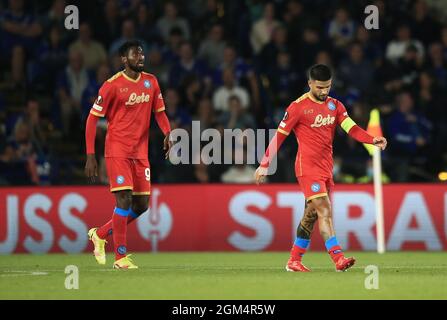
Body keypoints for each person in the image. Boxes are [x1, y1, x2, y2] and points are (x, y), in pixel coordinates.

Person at [254, 64, 387, 272]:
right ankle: (338, 259)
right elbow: (279, 137)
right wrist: (264, 164)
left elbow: (351, 128)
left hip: (326, 168)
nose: (324, 92)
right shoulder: (297, 107)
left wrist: (372, 140)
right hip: (307, 167)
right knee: (324, 209)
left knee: (311, 215)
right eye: (319, 87)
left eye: (328, 87)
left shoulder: (336, 106)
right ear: (310, 84)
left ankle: (294, 260)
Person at [84, 40, 172, 269]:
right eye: (136, 54)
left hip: (140, 153)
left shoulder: (151, 82)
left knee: (141, 205)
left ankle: (100, 234)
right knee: (123, 198)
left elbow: (160, 113)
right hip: (117, 150)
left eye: (142, 53)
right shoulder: (112, 85)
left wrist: (168, 132)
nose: (141, 57)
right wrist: (91, 155)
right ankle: (120, 257)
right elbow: (92, 119)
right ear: (124, 59)